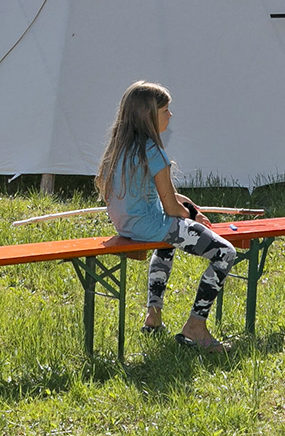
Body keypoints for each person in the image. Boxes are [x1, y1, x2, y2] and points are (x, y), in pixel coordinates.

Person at [97, 81, 237, 353]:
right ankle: (195, 327)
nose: (170, 116)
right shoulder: (153, 150)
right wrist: (193, 218)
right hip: (152, 226)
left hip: (130, 226)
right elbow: (172, 209)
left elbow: (158, 195)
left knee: (168, 241)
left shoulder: (121, 149)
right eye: (165, 110)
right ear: (148, 115)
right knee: (225, 253)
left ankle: (154, 316)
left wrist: (185, 205)